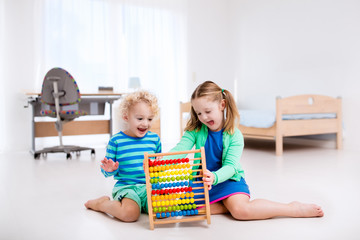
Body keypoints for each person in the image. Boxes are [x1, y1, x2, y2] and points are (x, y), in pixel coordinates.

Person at [168, 81, 324, 220]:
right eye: (199, 113)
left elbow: (231, 166)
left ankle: (292, 208)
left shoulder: (235, 136)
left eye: (207, 111)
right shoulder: (194, 130)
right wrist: (158, 161)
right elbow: (180, 149)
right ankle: (226, 204)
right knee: (187, 209)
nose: (203, 117)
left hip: (228, 179)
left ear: (222, 105)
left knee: (241, 211)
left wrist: (215, 177)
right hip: (203, 182)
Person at [85, 90, 161, 222]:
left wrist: (159, 168)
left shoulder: (155, 139)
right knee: (130, 214)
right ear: (126, 117)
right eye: (140, 118)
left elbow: (159, 167)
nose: (145, 124)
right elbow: (106, 171)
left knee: (164, 211)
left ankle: (143, 205)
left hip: (149, 187)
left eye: (149, 119)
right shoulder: (116, 141)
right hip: (127, 188)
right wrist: (110, 169)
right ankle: (101, 204)